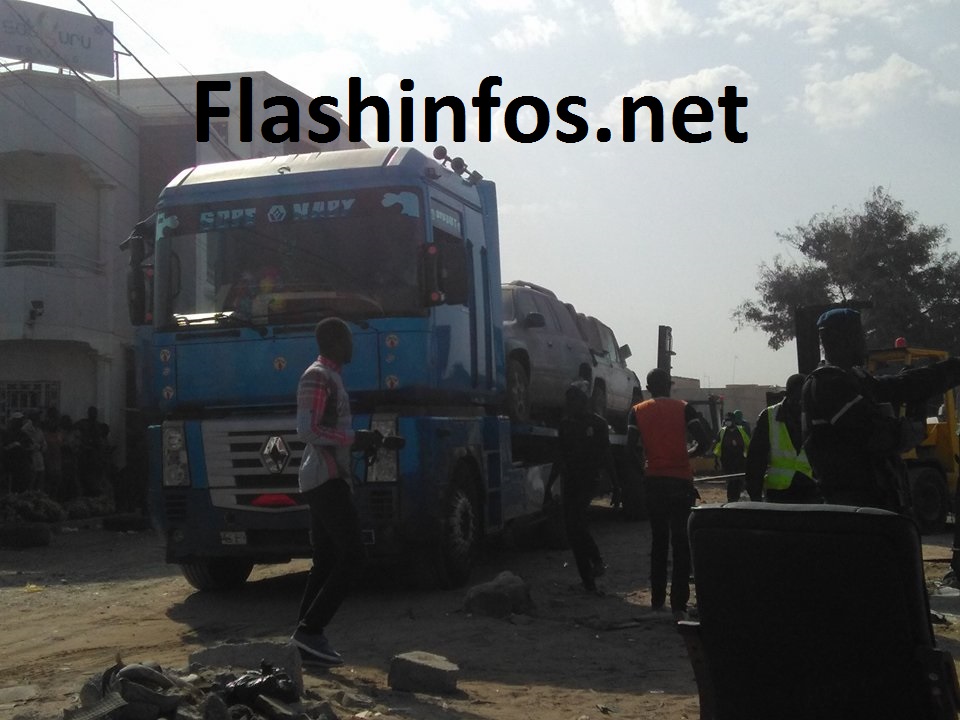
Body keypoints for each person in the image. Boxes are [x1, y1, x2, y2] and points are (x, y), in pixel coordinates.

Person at [801, 308, 960, 512]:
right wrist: (912, 428)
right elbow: (877, 435)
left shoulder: (852, 378)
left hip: (873, 501)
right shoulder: (828, 385)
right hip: (854, 506)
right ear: (842, 340)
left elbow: (899, 386)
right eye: (859, 336)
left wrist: (950, 370)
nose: (863, 343)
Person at [290, 317, 380, 666]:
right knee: (353, 556)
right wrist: (356, 438)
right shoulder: (317, 377)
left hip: (326, 477)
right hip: (323, 479)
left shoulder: (330, 377)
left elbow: (326, 430)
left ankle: (303, 637)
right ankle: (311, 631)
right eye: (349, 339)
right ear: (336, 341)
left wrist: (366, 440)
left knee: (326, 560)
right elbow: (307, 430)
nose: (353, 346)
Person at [628, 368, 709, 620]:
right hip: (680, 482)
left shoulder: (637, 411)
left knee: (659, 541)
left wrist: (644, 467)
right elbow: (705, 440)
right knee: (681, 543)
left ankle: (656, 602)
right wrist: (688, 454)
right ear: (669, 385)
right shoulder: (684, 408)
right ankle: (679, 605)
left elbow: (630, 448)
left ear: (649, 387)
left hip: (654, 481)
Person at [543, 382, 617, 594]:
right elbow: (560, 457)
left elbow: (607, 455)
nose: (568, 405)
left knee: (577, 524)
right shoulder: (565, 425)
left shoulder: (598, 424)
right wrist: (549, 485)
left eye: (572, 400)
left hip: (588, 480)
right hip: (571, 480)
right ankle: (589, 581)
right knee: (573, 530)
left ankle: (596, 561)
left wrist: (616, 485)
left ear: (583, 402)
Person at [745, 374, 821, 503]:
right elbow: (756, 459)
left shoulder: (815, 415)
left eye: (803, 399)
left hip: (810, 490)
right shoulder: (768, 417)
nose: (799, 404)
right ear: (787, 394)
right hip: (779, 493)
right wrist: (755, 495)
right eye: (796, 399)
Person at [713, 412, 749, 501]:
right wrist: (716, 460)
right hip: (727, 460)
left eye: (729, 420)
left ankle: (736, 497)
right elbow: (717, 446)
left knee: (738, 480)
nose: (727, 422)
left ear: (733, 421)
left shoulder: (741, 430)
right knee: (730, 481)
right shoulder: (722, 432)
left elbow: (748, 443)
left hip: (739, 460)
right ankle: (730, 499)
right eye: (726, 420)